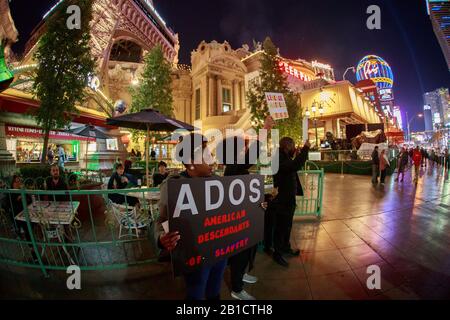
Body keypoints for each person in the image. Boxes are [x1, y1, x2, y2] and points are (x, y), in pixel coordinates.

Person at [156, 133, 227, 300]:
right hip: (194, 256)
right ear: (191, 163)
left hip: (219, 252)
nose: (212, 161)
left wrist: (257, 208)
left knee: (215, 290)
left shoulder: (219, 182)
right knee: (196, 291)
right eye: (206, 156)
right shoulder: (173, 186)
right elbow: (161, 220)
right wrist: (161, 238)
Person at [222, 115, 275, 300]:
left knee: (245, 253)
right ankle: (237, 288)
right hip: (238, 223)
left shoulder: (236, 168)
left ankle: (241, 275)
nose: (245, 148)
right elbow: (251, 156)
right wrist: (265, 130)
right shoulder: (234, 167)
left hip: (246, 219)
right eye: (242, 147)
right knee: (239, 254)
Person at [269, 137, 310, 267]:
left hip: (288, 198)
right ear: (287, 146)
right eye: (293, 146)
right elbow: (293, 166)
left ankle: (285, 247)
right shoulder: (278, 157)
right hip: (282, 199)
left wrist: (298, 155)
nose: (294, 149)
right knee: (281, 227)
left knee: (287, 226)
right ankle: (278, 253)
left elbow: (292, 165)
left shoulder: (284, 156)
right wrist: (305, 150)